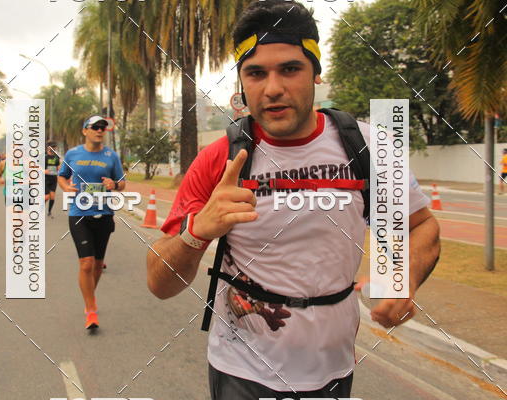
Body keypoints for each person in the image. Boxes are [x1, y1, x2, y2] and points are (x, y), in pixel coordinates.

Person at [146, 1, 441, 399]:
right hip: (241, 370)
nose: (272, 88)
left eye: (289, 69)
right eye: (256, 73)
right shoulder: (221, 158)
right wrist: (197, 232)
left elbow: (421, 226)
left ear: (316, 73)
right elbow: (159, 283)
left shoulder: (368, 146)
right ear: (241, 83)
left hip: (333, 367)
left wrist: (402, 281)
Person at [58, 115, 126, 330]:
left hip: (104, 214)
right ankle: (91, 309)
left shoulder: (111, 156)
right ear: (85, 131)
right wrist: (66, 187)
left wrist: (114, 184)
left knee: (97, 265)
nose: (99, 130)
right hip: (79, 214)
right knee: (86, 263)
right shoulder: (73, 154)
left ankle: (89, 297)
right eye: (95, 127)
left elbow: (122, 182)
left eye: (102, 128)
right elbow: (62, 176)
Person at [45, 142, 61, 218]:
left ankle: (49, 212)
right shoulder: (44, 157)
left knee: (52, 197)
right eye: (52, 147)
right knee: (46, 197)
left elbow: (58, 167)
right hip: (45, 179)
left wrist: (59, 171)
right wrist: (43, 171)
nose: (53, 148)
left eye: (54, 147)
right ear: (48, 148)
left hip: (53, 179)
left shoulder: (56, 157)